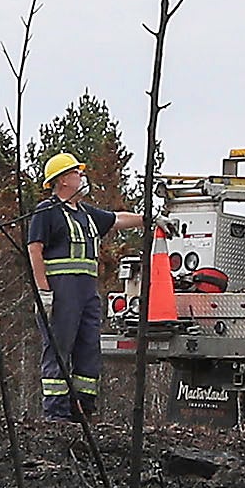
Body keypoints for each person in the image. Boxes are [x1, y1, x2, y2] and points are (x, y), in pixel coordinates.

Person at [29, 153, 153, 422]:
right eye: (76, 173)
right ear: (62, 180)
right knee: (59, 348)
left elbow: (116, 219)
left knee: (88, 348)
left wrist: (148, 219)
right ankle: (57, 413)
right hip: (62, 292)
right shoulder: (47, 212)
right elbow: (34, 250)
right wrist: (44, 292)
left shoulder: (86, 213)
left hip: (86, 292)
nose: (82, 177)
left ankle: (83, 409)